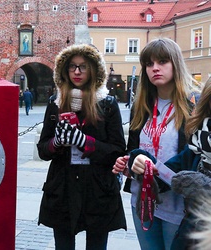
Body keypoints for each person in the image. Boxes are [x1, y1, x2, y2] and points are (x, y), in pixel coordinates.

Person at [112, 37, 200, 250]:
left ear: (175, 64)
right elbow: (134, 148)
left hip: (178, 203)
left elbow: (197, 156)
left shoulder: (194, 105)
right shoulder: (141, 105)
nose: (155, 68)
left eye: (162, 62)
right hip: (143, 199)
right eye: (149, 64)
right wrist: (127, 163)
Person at [37, 44, 127, 250]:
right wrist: (56, 142)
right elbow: (43, 149)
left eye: (83, 67)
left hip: (97, 187)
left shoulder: (107, 104)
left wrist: (84, 142)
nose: (77, 72)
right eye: (72, 67)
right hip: (63, 186)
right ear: (64, 70)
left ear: (94, 70)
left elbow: (117, 150)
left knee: (96, 246)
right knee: (63, 246)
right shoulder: (55, 103)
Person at [126, 78, 211, 250]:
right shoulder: (198, 142)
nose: (155, 69)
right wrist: (139, 159)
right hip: (193, 233)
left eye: (162, 62)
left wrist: (206, 189)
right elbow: (165, 174)